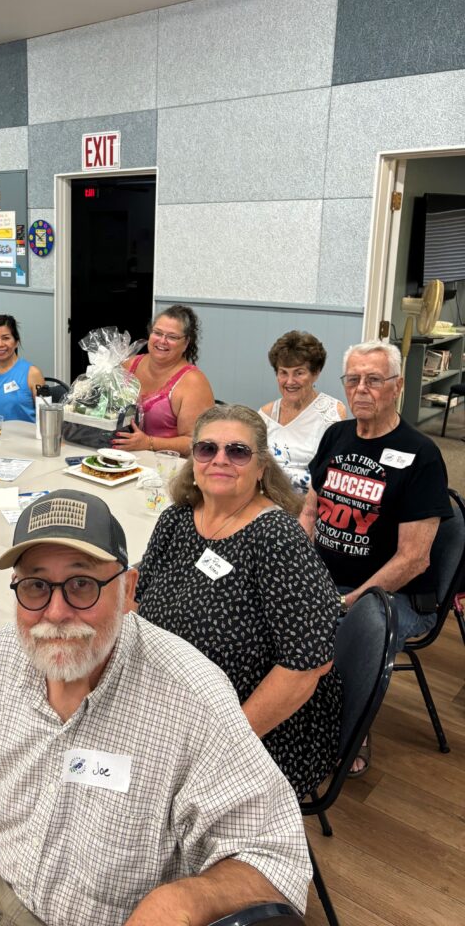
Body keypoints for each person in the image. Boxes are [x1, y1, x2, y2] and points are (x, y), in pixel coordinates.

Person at [0, 490, 311, 926]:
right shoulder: (3, 658)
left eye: (82, 583)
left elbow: (277, 860)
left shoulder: (191, 695)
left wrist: (182, 900)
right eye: (34, 585)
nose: (55, 612)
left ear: (129, 590)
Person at [137, 405, 342, 799]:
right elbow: (140, 605)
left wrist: (223, 745)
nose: (220, 460)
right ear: (192, 459)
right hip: (177, 706)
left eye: (238, 452)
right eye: (207, 449)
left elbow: (307, 667)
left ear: (262, 466)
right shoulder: (177, 520)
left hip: (257, 729)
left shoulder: (278, 540)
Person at [300, 341, 452, 774]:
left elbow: (414, 560)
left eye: (374, 380)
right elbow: (310, 510)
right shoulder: (337, 435)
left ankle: (347, 729)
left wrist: (345, 602)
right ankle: (286, 706)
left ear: (397, 387)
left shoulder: (422, 456)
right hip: (327, 580)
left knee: (346, 625)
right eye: (353, 379)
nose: (361, 389)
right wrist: (296, 565)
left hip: (392, 596)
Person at [113, 304, 215, 457]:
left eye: (172, 337)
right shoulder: (128, 365)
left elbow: (198, 442)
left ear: (186, 343)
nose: (162, 341)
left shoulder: (193, 382)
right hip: (120, 459)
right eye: (157, 333)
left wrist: (148, 443)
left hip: (167, 467)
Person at [258, 330, 346, 494]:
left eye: (299, 373)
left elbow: (333, 474)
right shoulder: (265, 414)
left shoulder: (332, 411)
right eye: (283, 372)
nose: (290, 382)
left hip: (309, 505)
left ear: (316, 373)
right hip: (267, 502)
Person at [0, 315, 45, 425]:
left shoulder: (32, 373)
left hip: (27, 441)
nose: (0, 344)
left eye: (6, 338)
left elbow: (46, 420)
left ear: (16, 342)